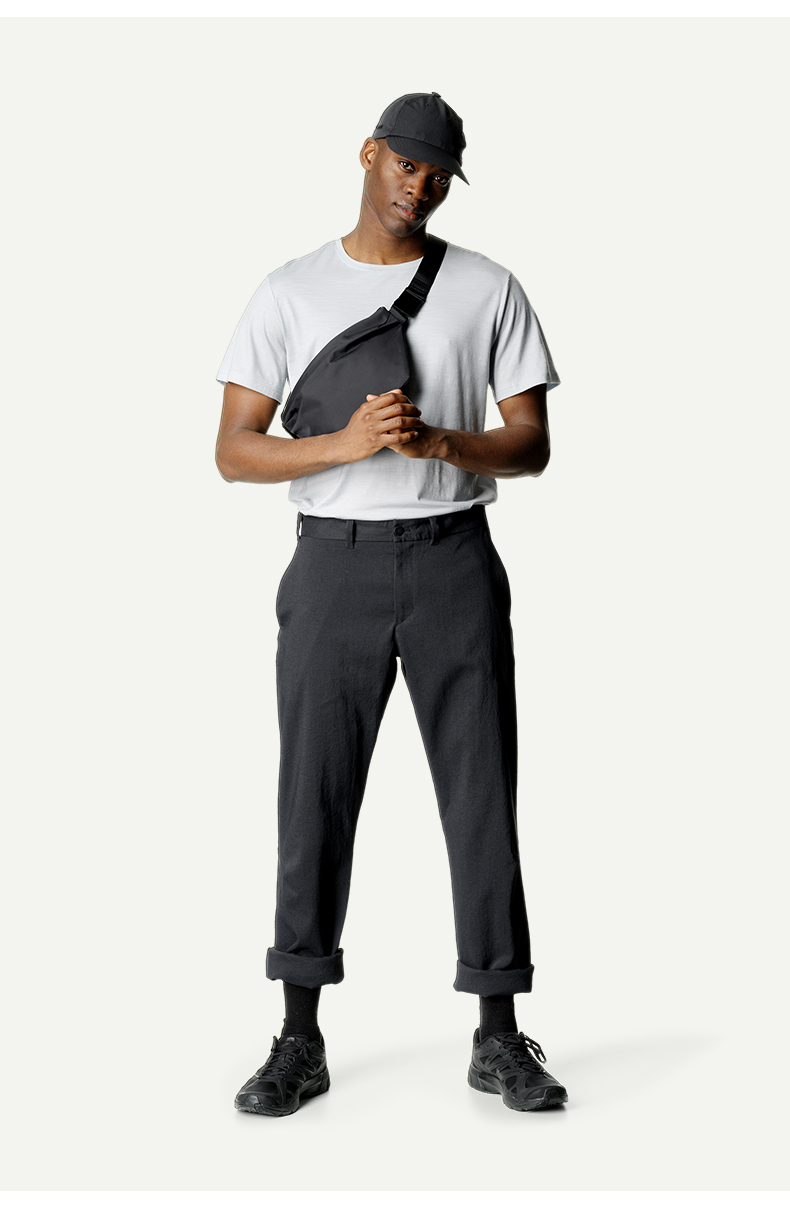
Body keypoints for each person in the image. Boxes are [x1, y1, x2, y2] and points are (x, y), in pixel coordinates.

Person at [214, 92, 568, 1116]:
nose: (421, 186)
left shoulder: (488, 287)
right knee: (312, 796)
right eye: (407, 163)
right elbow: (233, 451)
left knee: (481, 794)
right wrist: (346, 444)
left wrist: (439, 442)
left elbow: (533, 445)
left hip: (456, 556)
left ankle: (498, 1034)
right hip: (333, 566)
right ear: (368, 154)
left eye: (439, 173)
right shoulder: (289, 290)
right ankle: (299, 1036)